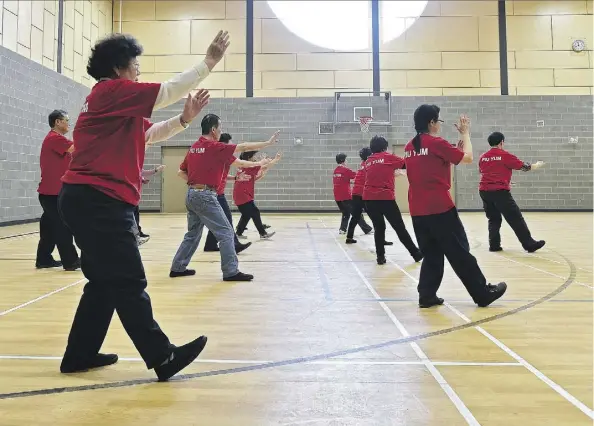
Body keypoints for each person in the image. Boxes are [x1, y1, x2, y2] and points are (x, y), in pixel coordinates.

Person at [58, 30, 230, 381]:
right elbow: (166, 91)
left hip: (86, 200)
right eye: (135, 65)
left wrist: (184, 120)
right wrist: (208, 63)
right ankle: (162, 357)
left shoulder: (111, 103)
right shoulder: (111, 91)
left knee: (104, 282)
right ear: (119, 68)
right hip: (99, 201)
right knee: (128, 279)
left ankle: (79, 355)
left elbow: (151, 133)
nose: (138, 71)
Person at [404, 104, 507, 308]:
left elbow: (430, 166)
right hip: (439, 207)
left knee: (432, 254)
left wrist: (453, 151)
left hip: (417, 209)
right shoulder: (435, 142)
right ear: (431, 122)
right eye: (438, 121)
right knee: (460, 252)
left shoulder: (409, 146)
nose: (439, 125)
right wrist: (466, 134)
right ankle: (482, 293)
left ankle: (426, 295)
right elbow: (468, 158)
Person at [169, 115, 279, 281]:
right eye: (219, 128)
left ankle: (178, 268)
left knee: (192, 234)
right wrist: (267, 143)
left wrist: (196, 184)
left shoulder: (194, 147)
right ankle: (230, 271)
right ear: (213, 130)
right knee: (226, 232)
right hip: (205, 196)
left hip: (192, 195)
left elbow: (181, 172)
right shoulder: (214, 146)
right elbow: (243, 147)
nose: (220, 131)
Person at [478, 132, 546, 253]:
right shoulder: (504, 155)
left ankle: (494, 245)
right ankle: (529, 244)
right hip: (500, 192)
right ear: (501, 142)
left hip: (484, 191)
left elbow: (486, 172)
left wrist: (504, 181)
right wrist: (537, 165)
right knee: (515, 218)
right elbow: (524, 167)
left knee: (493, 218)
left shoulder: (483, 157)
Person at [363, 137, 423, 265]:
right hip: (385, 198)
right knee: (399, 228)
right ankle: (416, 254)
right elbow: (407, 164)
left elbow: (379, 173)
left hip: (369, 199)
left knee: (379, 228)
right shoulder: (388, 157)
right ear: (385, 147)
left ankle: (380, 257)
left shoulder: (368, 161)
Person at [35, 109, 81, 270]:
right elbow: (76, 148)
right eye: (67, 120)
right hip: (52, 194)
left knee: (49, 228)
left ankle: (43, 259)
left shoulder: (58, 140)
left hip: (51, 193)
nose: (69, 123)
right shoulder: (54, 138)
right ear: (58, 122)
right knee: (63, 226)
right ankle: (71, 261)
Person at [203, 133, 251, 254]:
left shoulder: (216, 155)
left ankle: (210, 244)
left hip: (215, 193)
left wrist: (235, 178)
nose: (231, 145)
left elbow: (223, 176)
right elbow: (242, 163)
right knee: (227, 219)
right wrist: (260, 163)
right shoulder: (224, 154)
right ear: (224, 144)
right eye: (230, 142)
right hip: (216, 194)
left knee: (218, 220)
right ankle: (235, 245)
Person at [234, 151, 281, 239]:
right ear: (249, 157)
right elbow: (264, 166)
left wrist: (262, 173)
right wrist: (275, 159)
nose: (255, 157)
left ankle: (238, 233)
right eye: (253, 155)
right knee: (255, 212)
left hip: (240, 194)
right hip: (243, 194)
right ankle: (263, 233)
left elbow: (252, 178)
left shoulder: (244, 166)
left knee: (246, 214)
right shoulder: (250, 165)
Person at [333, 153, 372, 235]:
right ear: (343, 160)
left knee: (345, 213)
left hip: (337, 197)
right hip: (346, 196)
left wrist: (349, 182)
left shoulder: (335, 171)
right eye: (346, 159)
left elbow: (341, 181)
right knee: (356, 213)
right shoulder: (346, 170)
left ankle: (342, 229)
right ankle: (367, 229)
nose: (347, 161)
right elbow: (357, 176)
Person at [134, 165, 166, 246]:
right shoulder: (131, 164)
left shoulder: (135, 164)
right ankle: (136, 236)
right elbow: (141, 173)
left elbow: (139, 174)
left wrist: (142, 180)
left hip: (135, 195)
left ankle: (138, 233)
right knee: (133, 217)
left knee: (135, 216)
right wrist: (156, 170)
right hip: (131, 195)